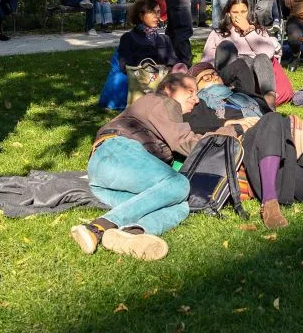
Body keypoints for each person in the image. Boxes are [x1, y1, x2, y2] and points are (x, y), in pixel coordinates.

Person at [71, 73, 248, 261]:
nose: (196, 99)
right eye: (190, 91)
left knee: (180, 207)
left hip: (104, 178)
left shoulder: (159, 114)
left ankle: (131, 234)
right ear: (168, 88)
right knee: (179, 184)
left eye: (197, 93)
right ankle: (98, 227)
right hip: (115, 151)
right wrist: (233, 129)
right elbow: (187, 143)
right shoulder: (161, 101)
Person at [184, 78, 303, 229]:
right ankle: (269, 203)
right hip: (250, 161)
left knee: (289, 120)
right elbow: (198, 129)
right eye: (205, 77)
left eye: (214, 73)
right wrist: (235, 124)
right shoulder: (202, 106)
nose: (212, 77)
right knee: (274, 118)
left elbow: (241, 69)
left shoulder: (244, 96)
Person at [201, 0, 280, 105]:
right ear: (228, 13)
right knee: (228, 48)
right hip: (231, 75)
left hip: (255, 75)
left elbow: (268, 52)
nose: (239, 15)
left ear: (249, 12)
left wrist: (247, 30)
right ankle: (246, 102)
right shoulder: (218, 33)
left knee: (262, 58)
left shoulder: (258, 30)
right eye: (235, 12)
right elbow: (206, 62)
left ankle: (269, 102)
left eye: (243, 12)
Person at [116, 0, 181, 74]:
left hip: (164, 81)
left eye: (158, 12)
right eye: (152, 12)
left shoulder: (165, 39)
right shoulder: (128, 38)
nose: (156, 16)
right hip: (141, 82)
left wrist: (167, 69)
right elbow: (124, 66)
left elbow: (173, 61)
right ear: (141, 15)